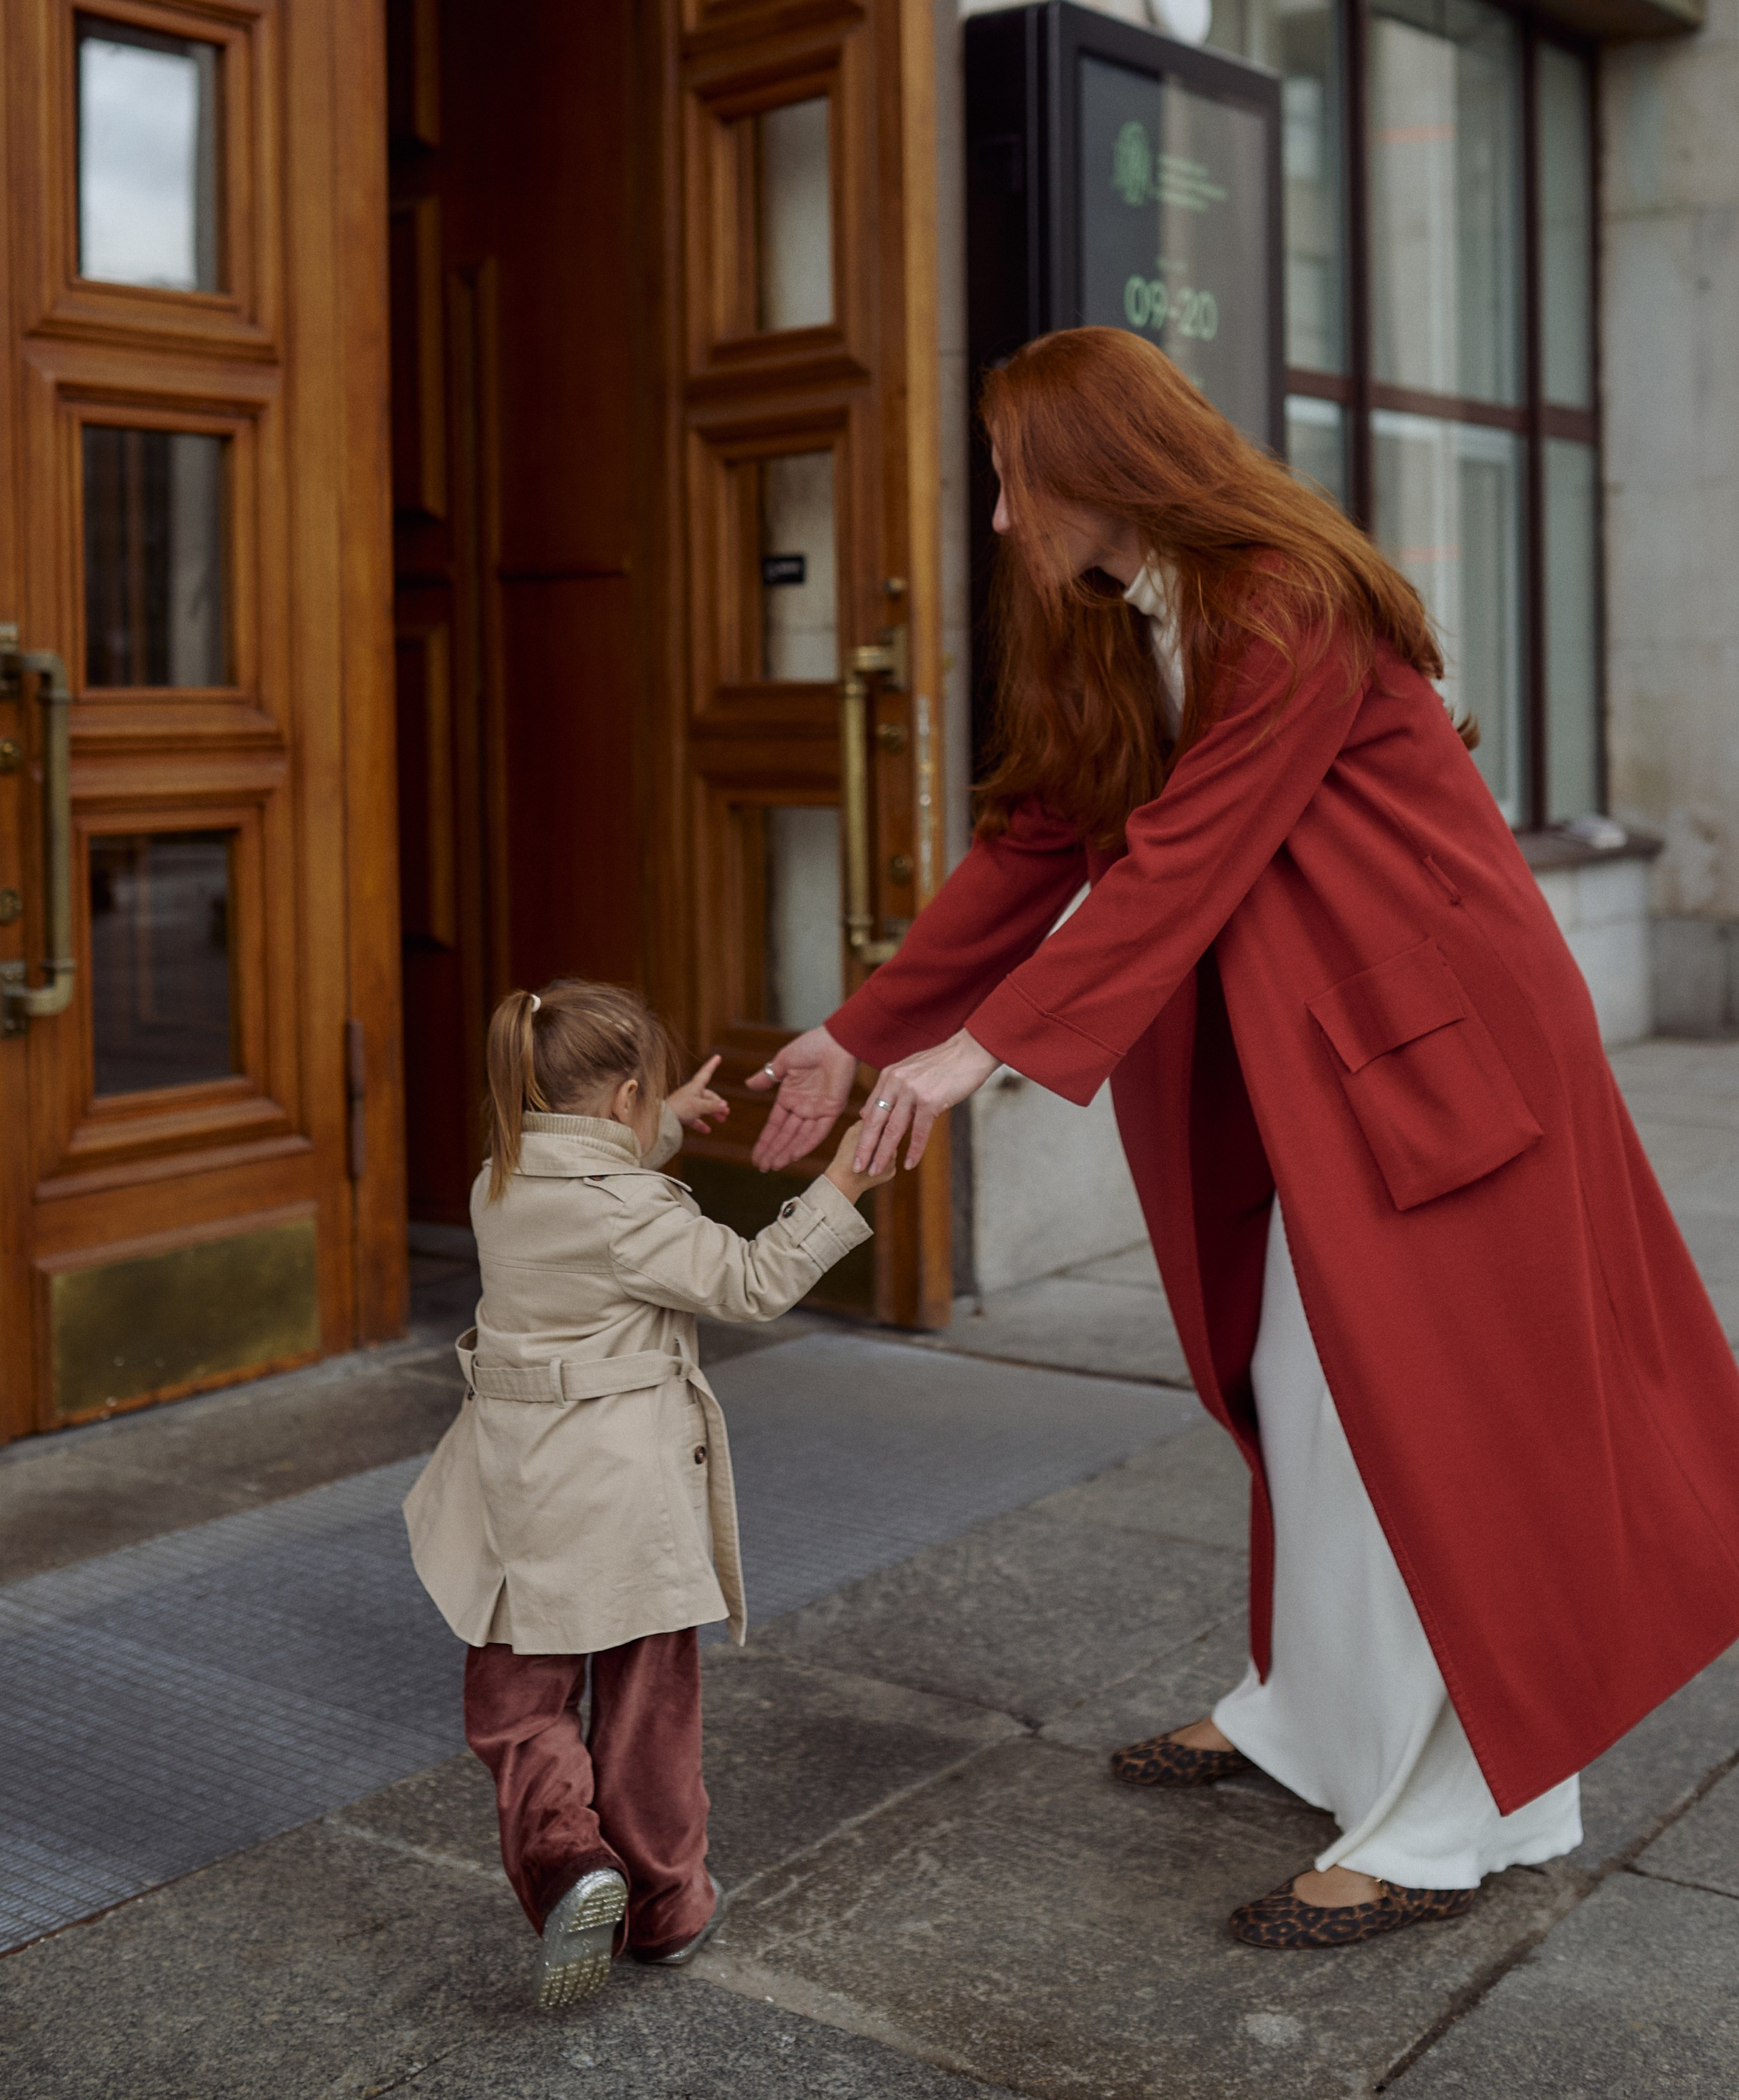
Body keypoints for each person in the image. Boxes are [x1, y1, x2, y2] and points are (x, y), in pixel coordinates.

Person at [749, 325, 1739, 1951]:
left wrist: (971, 1055)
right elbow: (1038, 841)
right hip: (1316, 1058)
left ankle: (1448, 1821)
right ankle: (1307, 1717)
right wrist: (858, 1029)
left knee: (1423, 1419)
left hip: (1435, 1050)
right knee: (1307, 1389)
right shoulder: (1101, 618)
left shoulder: (1287, 595)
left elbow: (1180, 860)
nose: (998, 519)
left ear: (1096, 469)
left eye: (1010, 481)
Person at [405, 978, 892, 2007]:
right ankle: (668, 1905)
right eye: (651, 1098)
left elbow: (592, 1181)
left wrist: (660, 1122)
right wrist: (845, 1176)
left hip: (519, 1488)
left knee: (517, 1707)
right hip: (628, 1495)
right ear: (624, 1096)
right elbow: (753, 1279)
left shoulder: (501, 1176)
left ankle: (569, 1863)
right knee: (646, 1710)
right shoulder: (636, 1210)